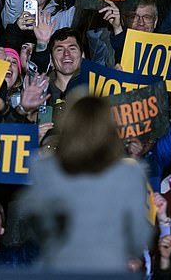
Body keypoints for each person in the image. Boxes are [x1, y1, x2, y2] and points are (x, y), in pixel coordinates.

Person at [18, 96, 152, 271]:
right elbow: (138, 238)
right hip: (108, 271)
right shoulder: (130, 173)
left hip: (58, 268)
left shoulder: (44, 168)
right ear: (110, 129)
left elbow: (33, 225)